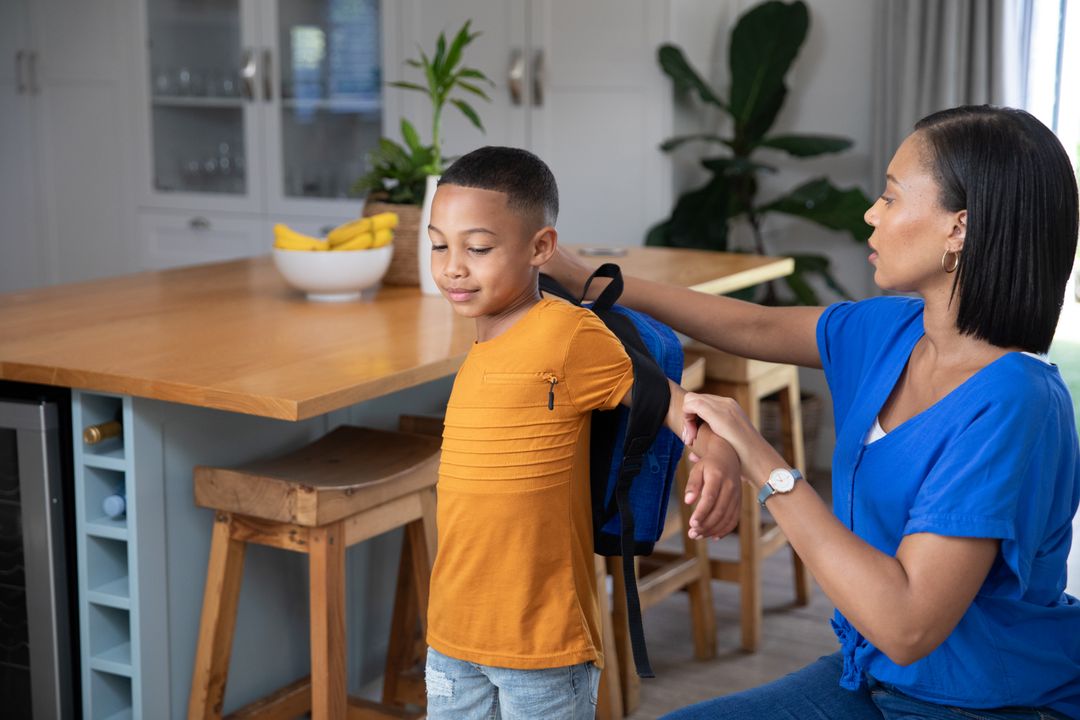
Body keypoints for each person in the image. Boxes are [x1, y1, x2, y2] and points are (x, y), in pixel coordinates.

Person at [544, 105, 1080, 718]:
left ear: (959, 228)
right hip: (873, 680)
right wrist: (585, 280)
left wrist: (762, 460)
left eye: (890, 197)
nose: (870, 214)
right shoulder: (894, 332)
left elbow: (907, 625)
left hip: (983, 705)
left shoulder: (1015, 403)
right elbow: (750, 323)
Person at [422, 145, 742, 720]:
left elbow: (672, 402)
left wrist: (716, 453)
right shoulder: (481, 336)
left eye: (477, 248)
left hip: (542, 641)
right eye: (439, 244)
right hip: (451, 635)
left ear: (541, 247)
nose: (453, 267)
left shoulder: (568, 335)